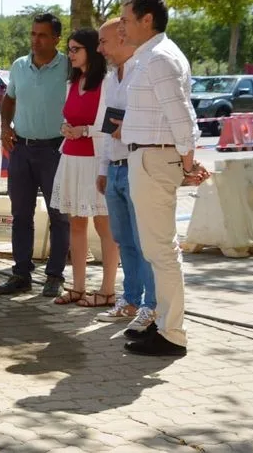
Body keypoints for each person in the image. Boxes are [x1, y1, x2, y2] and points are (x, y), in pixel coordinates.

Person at [118, 0, 209, 357]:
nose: (121, 25)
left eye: (126, 19)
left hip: (155, 160)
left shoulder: (160, 59)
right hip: (148, 158)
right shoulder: (150, 57)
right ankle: (164, 322)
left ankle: (172, 333)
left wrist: (188, 164)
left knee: (161, 250)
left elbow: (183, 119)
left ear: (147, 19)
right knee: (157, 248)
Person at [0, 13, 71, 298]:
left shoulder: (69, 67)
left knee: (59, 215)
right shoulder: (19, 66)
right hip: (21, 150)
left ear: (56, 39)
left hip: (56, 150)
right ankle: (21, 274)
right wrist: (4, 127)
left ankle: (55, 276)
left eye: (42, 35)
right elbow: (9, 98)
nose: (35, 40)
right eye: (33, 34)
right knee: (20, 214)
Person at [95, 18, 157, 334]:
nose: (99, 49)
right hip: (117, 171)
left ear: (122, 38)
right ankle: (131, 300)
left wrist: (128, 130)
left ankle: (152, 306)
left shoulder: (143, 72)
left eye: (103, 42)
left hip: (139, 167)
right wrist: (104, 168)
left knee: (146, 242)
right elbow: (109, 129)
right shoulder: (110, 80)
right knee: (124, 240)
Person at [48, 28, 120, 307]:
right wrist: (66, 128)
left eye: (76, 49)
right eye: (70, 49)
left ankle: (107, 289)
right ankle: (77, 287)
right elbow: (68, 117)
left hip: (95, 161)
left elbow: (109, 125)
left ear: (91, 50)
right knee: (76, 224)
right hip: (71, 160)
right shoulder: (71, 83)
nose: (71, 54)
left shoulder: (106, 82)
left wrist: (84, 131)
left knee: (104, 224)